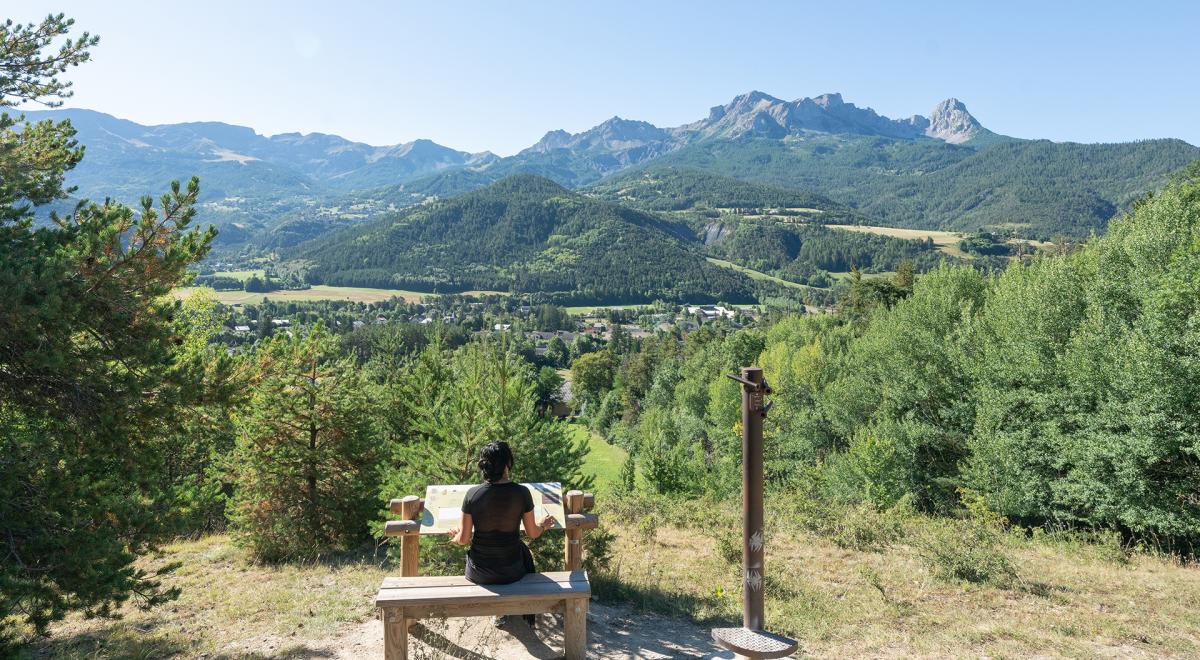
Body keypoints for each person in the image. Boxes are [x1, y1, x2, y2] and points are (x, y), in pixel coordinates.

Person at [448, 441, 555, 628]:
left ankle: (500, 614)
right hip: (512, 570)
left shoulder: (472, 494)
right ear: (507, 464)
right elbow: (533, 533)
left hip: (479, 572)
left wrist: (455, 536)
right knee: (521, 553)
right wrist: (543, 525)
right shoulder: (522, 493)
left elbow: (464, 539)